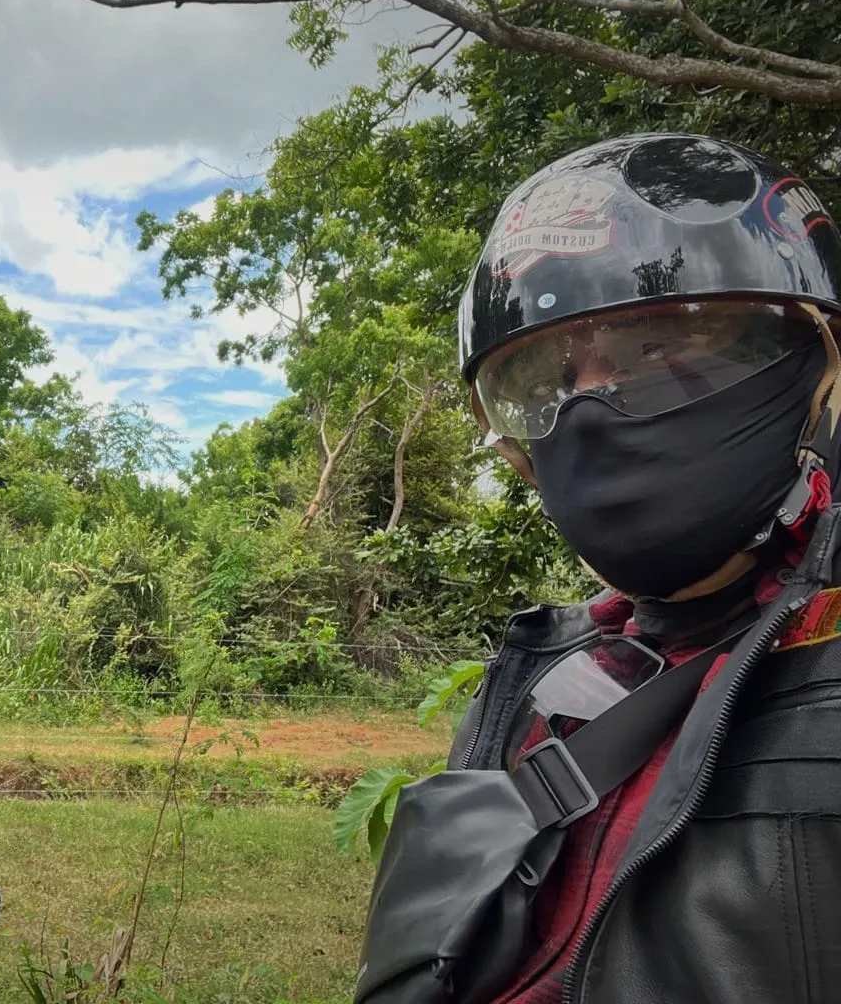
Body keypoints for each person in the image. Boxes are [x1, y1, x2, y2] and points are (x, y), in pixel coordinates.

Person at [357, 133, 841, 1004]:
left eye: (652, 355)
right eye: (549, 382)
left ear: (819, 366)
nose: (589, 413)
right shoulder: (541, 674)